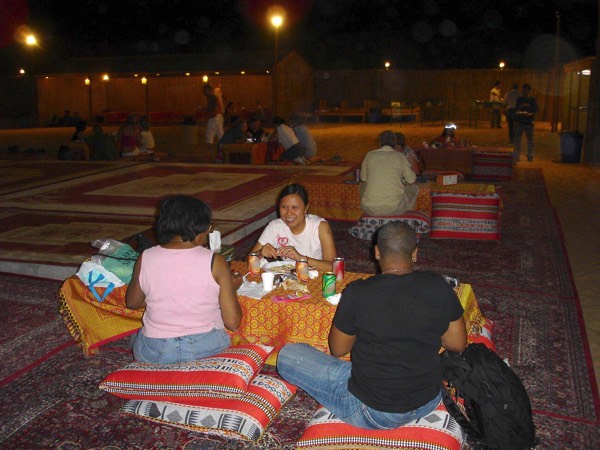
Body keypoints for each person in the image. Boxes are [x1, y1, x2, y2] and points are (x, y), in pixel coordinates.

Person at [277, 221, 467, 429]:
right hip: (428, 400)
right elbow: (457, 344)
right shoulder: (437, 284)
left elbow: (338, 350)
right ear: (414, 254)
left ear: (377, 252)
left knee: (289, 355)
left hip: (375, 411)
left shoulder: (358, 292)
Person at [126, 195, 243, 364]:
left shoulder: (146, 256)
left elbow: (132, 303)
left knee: (135, 337)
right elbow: (232, 322)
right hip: (204, 348)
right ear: (199, 229)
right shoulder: (214, 261)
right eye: (208, 228)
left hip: (154, 350)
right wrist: (232, 288)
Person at [249, 183, 336, 273]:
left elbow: (333, 267)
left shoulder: (319, 227)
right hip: (287, 277)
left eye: (295, 208)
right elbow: (247, 261)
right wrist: (259, 253)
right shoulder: (274, 227)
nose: (289, 213)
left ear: (306, 208)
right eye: (284, 207)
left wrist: (301, 258)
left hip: (316, 276)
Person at [360, 130, 418, 216]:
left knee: (363, 185)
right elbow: (411, 180)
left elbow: (363, 178)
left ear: (379, 143)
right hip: (394, 209)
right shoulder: (400, 156)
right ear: (394, 144)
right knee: (414, 187)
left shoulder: (369, 155)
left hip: (370, 208)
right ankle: (407, 212)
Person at [513, 83, 538, 163]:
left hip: (529, 122)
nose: (524, 92)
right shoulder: (519, 99)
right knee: (517, 139)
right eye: (523, 90)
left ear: (529, 91)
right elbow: (516, 109)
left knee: (530, 140)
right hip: (520, 121)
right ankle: (516, 155)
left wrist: (530, 114)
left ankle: (530, 155)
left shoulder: (532, 100)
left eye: (526, 90)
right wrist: (519, 113)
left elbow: (535, 110)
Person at [203, 84, 224, 156]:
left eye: (205, 91)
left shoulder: (211, 97)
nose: (203, 92)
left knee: (210, 134)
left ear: (208, 90)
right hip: (217, 117)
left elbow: (213, 109)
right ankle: (223, 149)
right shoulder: (213, 97)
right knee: (219, 134)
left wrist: (206, 113)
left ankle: (209, 151)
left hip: (214, 118)